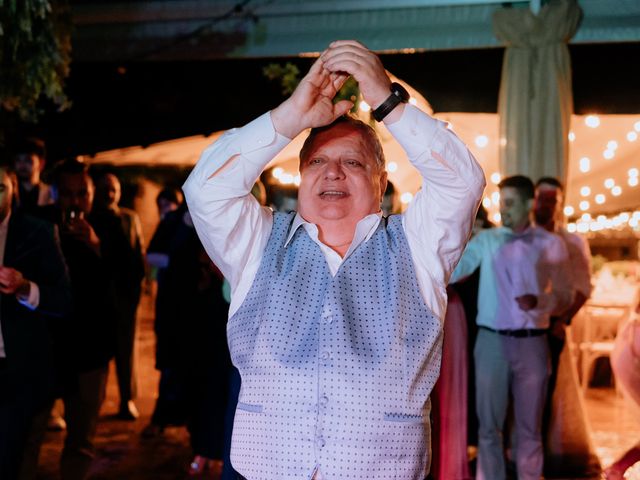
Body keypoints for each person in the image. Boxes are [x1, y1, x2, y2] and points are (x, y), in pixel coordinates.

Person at [183, 40, 485, 479]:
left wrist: (388, 102)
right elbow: (205, 189)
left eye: (353, 162)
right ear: (302, 176)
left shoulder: (417, 244)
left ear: (381, 183)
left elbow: (463, 181)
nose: (332, 172)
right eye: (317, 161)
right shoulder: (259, 239)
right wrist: (291, 117)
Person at [450, 175, 572, 480]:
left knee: (530, 428)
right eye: (501, 202)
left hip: (533, 343)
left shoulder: (551, 244)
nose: (503, 209)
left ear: (529, 204)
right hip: (491, 343)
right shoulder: (486, 241)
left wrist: (542, 301)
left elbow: (565, 294)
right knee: (489, 427)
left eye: (510, 203)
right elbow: (453, 271)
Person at [32, 159, 117, 480]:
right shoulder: (38, 226)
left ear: (92, 193)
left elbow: (128, 279)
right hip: (47, 346)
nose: (76, 201)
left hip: (91, 349)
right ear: (54, 194)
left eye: (83, 193)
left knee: (81, 439)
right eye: (67, 194)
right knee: (31, 432)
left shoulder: (110, 225)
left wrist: (96, 246)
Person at [0, 161, 72, 479]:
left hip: (14, 373)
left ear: (14, 186)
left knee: (8, 461)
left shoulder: (37, 232)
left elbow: (64, 301)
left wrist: (25, 287)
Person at [92, 172, 145, 420]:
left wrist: (136, 291)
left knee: (126, 352)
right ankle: (94, 402)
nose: (109, 194)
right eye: (104, 189)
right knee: (97, 352)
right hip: (98, 298)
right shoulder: (90, 218)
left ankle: (127, 399)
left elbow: (138, 255)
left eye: (113, 189)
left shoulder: (130, 218)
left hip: (125, 297)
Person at [9, 137, 55, 214]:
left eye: (28, 160)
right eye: (18, 160)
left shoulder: (51, 194)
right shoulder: (10, 193)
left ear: (41, 163)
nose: (22, 165)